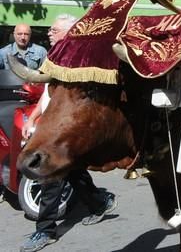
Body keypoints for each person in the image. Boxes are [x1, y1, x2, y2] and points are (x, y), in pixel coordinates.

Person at [20, 15, 117, 252]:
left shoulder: (80, 59)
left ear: (69, 32)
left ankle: (45, 230)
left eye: (54, 30)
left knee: (50, 173)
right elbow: (47, 95)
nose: (49, 33)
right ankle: (100, 201)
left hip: (66, 128)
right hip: (53, 124)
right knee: (72, 169)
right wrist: (33, 118)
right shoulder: (56, 57)